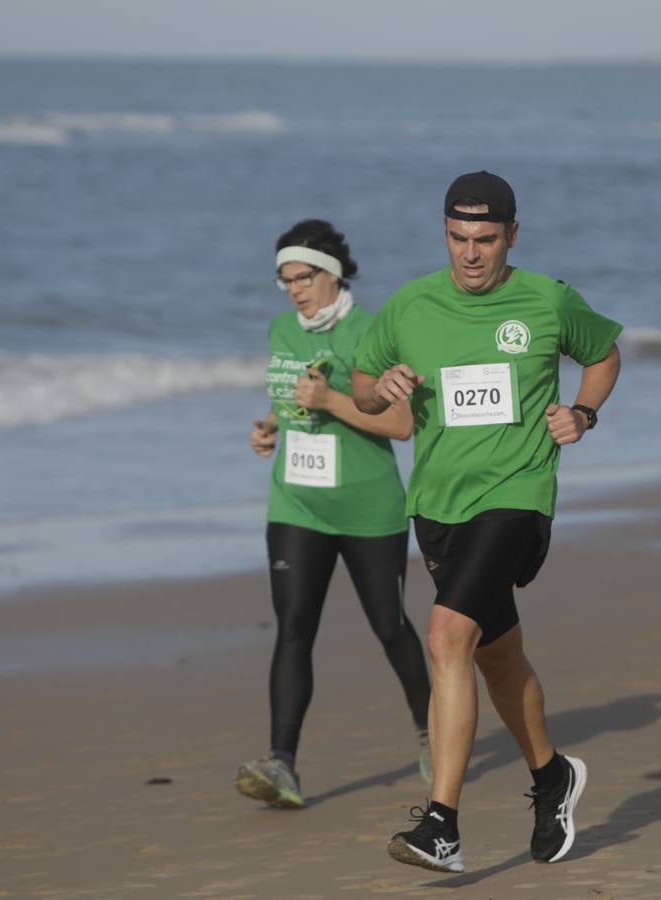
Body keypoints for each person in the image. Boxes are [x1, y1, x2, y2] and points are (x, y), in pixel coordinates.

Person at [351, 171, 623, 872]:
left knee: (447, 637)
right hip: (438, 506)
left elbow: (603, 353)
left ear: (512, 236)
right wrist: (379, 390)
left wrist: (583, 414)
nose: (470, 254)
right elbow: (363, 381)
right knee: (496, 655)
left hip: (517, 495)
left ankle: (441, 824)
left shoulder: (547, 300)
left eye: (485, 239)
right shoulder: (411, 305)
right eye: (457, 238)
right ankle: (551, 775)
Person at [237, 219, 433, 809]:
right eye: (285, 280)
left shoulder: (372, 333)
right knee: (294, 628)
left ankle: (433, 732)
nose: (295, 290)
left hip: (369, 506)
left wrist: (330, 401)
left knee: (389, 625)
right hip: (295, 502)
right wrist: (271, 427)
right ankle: (283, 764)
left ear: (334, 274)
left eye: (305, 277)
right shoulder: (280, 330)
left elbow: (400, 424)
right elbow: (284, 395)